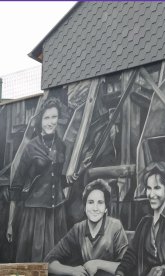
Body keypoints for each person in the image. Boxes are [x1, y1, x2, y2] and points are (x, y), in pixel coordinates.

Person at [7, 97, 69, 262]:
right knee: (35, 262)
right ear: (40, 121)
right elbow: (16, 186)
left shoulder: (62, 145)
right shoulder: (31, 147)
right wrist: (10, 224)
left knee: (57, 263)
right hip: (35, 216)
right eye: (46, 118)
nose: (50, 122)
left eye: (54, 117)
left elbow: (59, 178)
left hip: (57, 214)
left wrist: (73, 176)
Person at [116, 161, 165, 276]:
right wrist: (120, 271)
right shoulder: (145, 223)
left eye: (157, 188)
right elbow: (131, 254)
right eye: (148, 188)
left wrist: (162, 270)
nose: (151, 194)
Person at [45, 179, 128, 276]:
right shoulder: (78, 229)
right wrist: (72, 271)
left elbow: (127, 266)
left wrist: (97, 264)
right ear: (84, 207)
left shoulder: (115, 226)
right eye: (91, 202)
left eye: (100, 202)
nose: (95, 208)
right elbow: (48, 262)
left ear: (106, 208)